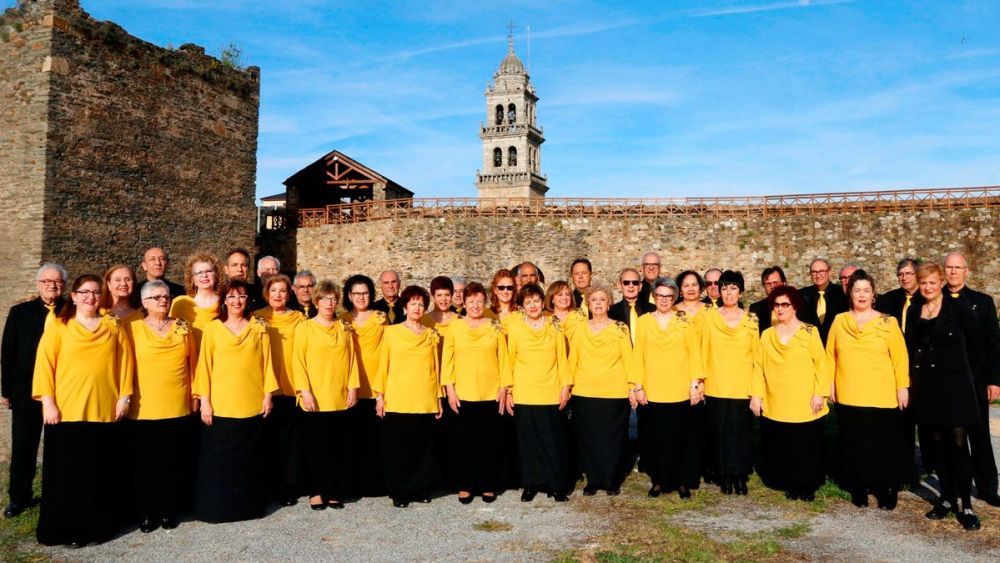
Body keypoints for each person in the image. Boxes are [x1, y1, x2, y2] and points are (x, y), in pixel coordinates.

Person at [32, 274, 134, 547]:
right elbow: (44, 365)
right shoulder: (59, 325)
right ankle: (65, 529)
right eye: (85, 292)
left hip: (102, 410)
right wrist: (48, 402)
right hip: (66, 411)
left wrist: (124, 397)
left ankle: (97, 527)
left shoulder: (113, 325)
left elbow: (125, 361)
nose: (91, 297)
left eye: (96, 293)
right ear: (74, 296)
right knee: (66, 474)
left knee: (97, 473)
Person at [905, 262, 984, 530]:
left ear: (941, 284)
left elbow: (976, 345)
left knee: (959, 445)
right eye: (923, 283)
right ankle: (947, 498)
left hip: (956, 387)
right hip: (928, 388)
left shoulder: (959, 308)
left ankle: (966, 504)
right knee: (936, 444)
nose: (927, 287)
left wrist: (961, 373)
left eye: (932, 283)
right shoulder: (915, 310)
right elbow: (912, 346)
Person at [826, 269, 913, 510]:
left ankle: (887, 488)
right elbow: (829, 355)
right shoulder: (839, 321)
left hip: (882, 393)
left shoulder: (888, 321)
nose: (862, 295)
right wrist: (830, 383)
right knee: (855, 441)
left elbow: (900, 357)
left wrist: (902, 387)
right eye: (857, 290)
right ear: (850, 294)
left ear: (873, 294)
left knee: (883, 443)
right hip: (850, 391)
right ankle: (859, 486)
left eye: (866, 290)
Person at [193, 279, 278, 523]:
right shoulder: (212, 329)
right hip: (221, 405)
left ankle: (248, 508)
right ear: (224, 301)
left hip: (251, 402)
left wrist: (268, 395)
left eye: (241, 296)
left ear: (248, 300)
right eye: (231, 297)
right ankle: (218, 509)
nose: (236, 301)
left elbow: (267, 363)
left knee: (249, 461)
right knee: (219, 462)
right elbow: (204, 367)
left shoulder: (259, 327)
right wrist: (205, 401)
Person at [128, 280, 198, 532]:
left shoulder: (182, 327)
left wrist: (195, 394)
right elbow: (126, 366)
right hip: (145, 406)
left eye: (166, 297)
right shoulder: (132, 328)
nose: (163, 301)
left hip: (177, 404)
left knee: (173, 461)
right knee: (146, 464)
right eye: (156, 297)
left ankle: (170, 509)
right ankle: (148, 512)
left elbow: (193, 363)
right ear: (145, 303)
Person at [752, 285, 830, 502]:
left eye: (785, 304)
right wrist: (757, 395)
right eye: (776, 305)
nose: (780, 308)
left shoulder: (809, 331)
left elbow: (821, 364)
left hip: (804, 398)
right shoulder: (767, 335)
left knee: (805, 444)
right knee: (783, 443)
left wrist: (820, 393)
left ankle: (807, 484)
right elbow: (758, 366)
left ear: (794, 306)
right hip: (777, 398)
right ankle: (785, 480)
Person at [1, 264, 66, 519]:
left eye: (58, 281)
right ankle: (19, 497)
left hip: (61, 391)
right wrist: (6, 390)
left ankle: (55, 492)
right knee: (23, 446)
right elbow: (8, 354)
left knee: (57, 446)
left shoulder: (71, 310)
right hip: (25, 390)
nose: (52, 285)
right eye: (47, 281)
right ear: (38, 284)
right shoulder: (20, 312)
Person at [373, 285, 444, 507]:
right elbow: (382, 364)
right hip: (398, 398)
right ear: (405, 306)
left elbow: (436, 368)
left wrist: (438, 398)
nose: (417, 307)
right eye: (413, 303)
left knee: (422, 448)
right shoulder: (391, 333)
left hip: (424, 397)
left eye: (421, 304)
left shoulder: (431, 334)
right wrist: (380, 396)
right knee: (400, 449)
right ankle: (400, 491)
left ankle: (419, 488)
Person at [502, 283, 573, 502]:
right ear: (522, 306)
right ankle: (531, 483)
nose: (532, 306)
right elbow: (508, 361)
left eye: (535, 301)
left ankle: (556, 484)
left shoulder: (555, 325)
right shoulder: (514, 328)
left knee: (553, 440)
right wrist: (510, 391)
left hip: (551, 391)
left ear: (543, 302)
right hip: (524, 392)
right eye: (527, 302)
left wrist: (565, 388)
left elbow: (562, 358)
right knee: (529, 442)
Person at [292, 281, 359, 510]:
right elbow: (298, 362)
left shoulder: (344, 328)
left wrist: (352, 387)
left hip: (339, 396)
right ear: (316, 301)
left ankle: (334, 491)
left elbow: (352, 360)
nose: (329, 303)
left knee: (338, 448)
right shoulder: (305, 328)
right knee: (315, 448)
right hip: (315, 398)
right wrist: (305, 391)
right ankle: (316, 491)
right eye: (324, 299)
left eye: (333, 299)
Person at [633, 277, 702, 499]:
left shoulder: (684, 321)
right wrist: (638, 385)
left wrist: (694, 384)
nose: (664, 300)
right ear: (654, 297)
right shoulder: (644, 322)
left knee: (680, 437)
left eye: (668, 296)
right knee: (655, 438)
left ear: (674, 298)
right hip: (653, 389)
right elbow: (638, 355)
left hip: (679, 388)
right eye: (660, 296)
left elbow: (694, 353)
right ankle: (659, 480)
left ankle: (681, 481)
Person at [567, 286, 638, 496]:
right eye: (594, 300)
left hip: (614, 392)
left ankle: (611, 480)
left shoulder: (620, 328)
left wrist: (632, 386)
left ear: (609, 303)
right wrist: (568, 386)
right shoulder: (579, 329)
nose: (598, 303)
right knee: (589, 438)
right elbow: (573, 359)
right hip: (585, 391)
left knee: (612, 438)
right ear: (588, 304)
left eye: (602, 299)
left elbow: (629, 359)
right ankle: (593, 480)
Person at [441, 282, 508, 504]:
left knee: (489, 442)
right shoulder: (454, 327)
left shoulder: (495, 326)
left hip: (490, 393)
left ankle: (488, 484)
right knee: (464, 443)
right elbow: (446, 361)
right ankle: (465, 485)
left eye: (479, 301)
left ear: (485, 302)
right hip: (463, 393)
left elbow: (504, 359)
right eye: (471, 302)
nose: (476, 305)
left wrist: (504, 388)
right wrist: (449, 389)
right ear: (464, 303)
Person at [943, 252, 1000, 506]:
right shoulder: (934, 299)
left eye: (958, 267)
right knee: (951, 438)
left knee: (980, 437)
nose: (953, 272)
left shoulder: (983, 302)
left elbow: (994, 346)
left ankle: (988, 488)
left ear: (967, 271)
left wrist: (995, 380)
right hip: (945, 382)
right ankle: (954, 486)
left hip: (975, 381)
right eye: (949, 267)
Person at [701, 270, 761, 495]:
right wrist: (700, 381)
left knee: (740, 432)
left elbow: (757, 357)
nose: (728, 292)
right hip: (716, 383)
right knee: (719, 431)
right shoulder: (709, 317)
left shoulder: (752, 320)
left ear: (741, 291)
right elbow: (702, 349)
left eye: (733, 288)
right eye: (724, 288)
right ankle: (723, 474)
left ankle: (739, 474)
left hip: (742, 385)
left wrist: (756, 390)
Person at [254, 275, 307, 506]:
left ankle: (288, 486)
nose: (278, 295)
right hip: (265, 387)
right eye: (274, 290)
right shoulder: (257, 318)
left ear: (289, 294)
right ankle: (267, 486)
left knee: (290, 441)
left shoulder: (298, 319)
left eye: (283, 291)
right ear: (266, 293)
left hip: (291, 385)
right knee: (266, 440)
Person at [341, 274, 388, 497]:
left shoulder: (381, 318)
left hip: (374, 385)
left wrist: (382, 392)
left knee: (374, 439)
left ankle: (374, 484)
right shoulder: (341, 320)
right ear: (349, 295)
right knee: (350, 439)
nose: (361, 297)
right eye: (356, 293)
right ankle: (351, 484)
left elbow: (387, 352)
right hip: (348, 387)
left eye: (365, 293)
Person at [169, 251, 222, 348]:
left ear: (216, 275)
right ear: (192, 279)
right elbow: (172, 336)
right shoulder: (180, 303)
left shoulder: (225, 303)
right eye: (199, 273)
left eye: (209, 271)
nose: (204, 275)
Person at [800, 258, 849, 344]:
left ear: (829, 272)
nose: (818, 275)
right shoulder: (802, 295)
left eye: (822, 271)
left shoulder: (842, 294)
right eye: (814, 272)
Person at [608, 268, 654, 345]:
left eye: (635, 283)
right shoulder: (610, 312)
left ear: (640, 286)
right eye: (626, 283)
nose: (631, 285)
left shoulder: (653, 310)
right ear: (619, 286)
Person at [875, 258, 920, 333]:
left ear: (918, 274)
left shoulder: (926, 298)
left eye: (908, 273)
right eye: (900, 274)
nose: (904, 278)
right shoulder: (887, 299)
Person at [748, 266, 786, 335]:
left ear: (783, 283)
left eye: (775, 283)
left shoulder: (796, 306)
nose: (772, 286)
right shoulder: (755, 309)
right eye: (768, 284)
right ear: (764, 286)